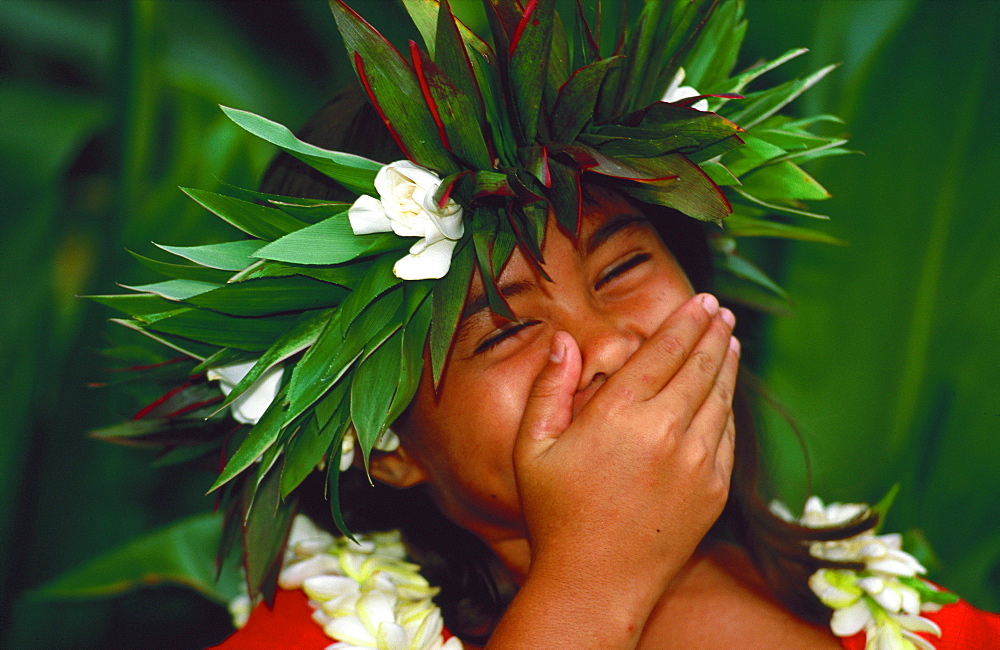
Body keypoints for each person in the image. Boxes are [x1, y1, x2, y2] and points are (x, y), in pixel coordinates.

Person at [99, 1, 1000, 648]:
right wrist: (592, 583)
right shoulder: (302, 641)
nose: (606, 345)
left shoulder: (909, 619)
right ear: (387, 443)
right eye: (500, 330)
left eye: (623, 266)